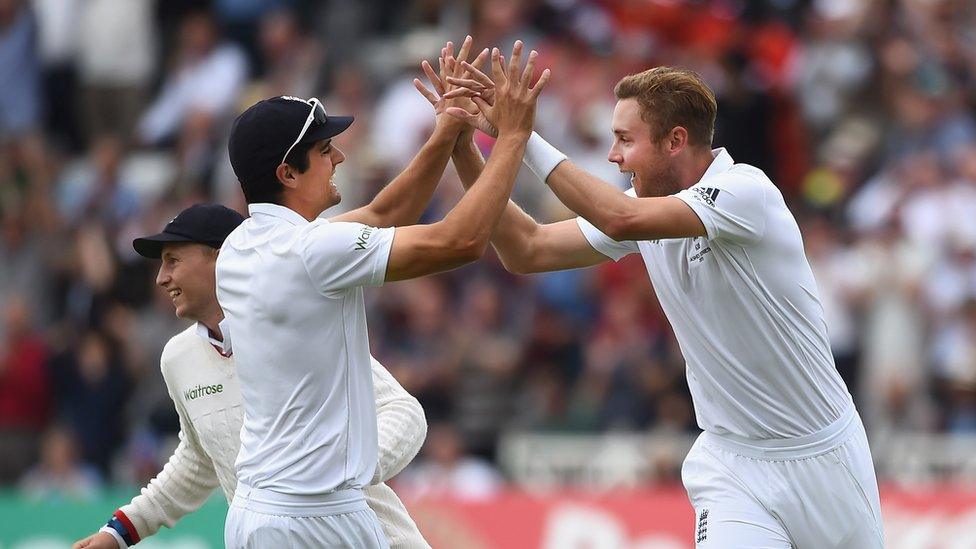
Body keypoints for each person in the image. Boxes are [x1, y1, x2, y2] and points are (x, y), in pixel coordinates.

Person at [440, 62, 884, 547]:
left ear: (675, 141)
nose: (613, 156)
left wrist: (522, 136)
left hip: (822, 455)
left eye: (625, 139)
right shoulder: (647, 206)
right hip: (731, 464)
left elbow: (619, 218)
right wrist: (466, 145)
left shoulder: (745, 191)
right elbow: (526, 250)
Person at [216, 40, 548, 548]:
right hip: (316, 516)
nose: (339, 156)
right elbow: (461, 241)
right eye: (324, 151)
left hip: (259, 511)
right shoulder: (313, 250)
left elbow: (380, 216)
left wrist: (448, 131)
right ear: (287, 174)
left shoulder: (241, 245)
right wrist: (512, 139)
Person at [72, 203, 431, 549]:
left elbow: (404, 412)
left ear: (221, 256)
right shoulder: (178, 358)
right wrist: (120, 533)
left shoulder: (295, 324)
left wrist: (337, 477)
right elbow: (199, 460)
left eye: (173, 260)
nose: (161, 278)